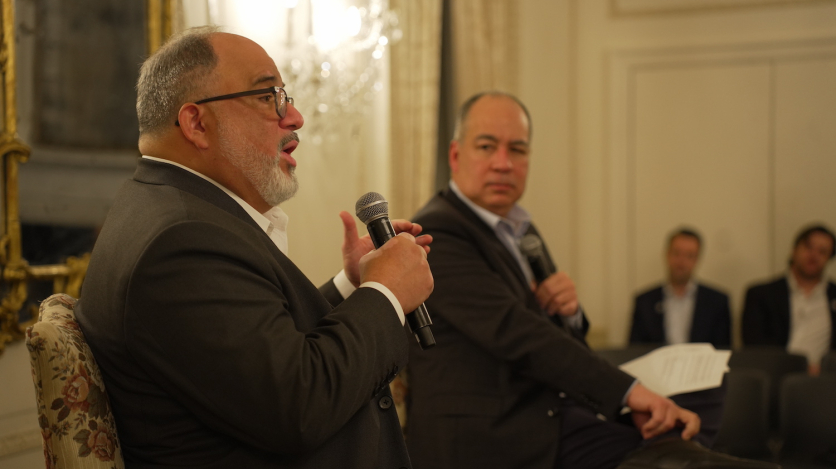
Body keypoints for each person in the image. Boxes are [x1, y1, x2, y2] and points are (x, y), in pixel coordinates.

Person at [76, 26, 433, 469]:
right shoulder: (181, 242)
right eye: (269, 97)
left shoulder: (167, 208)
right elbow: (298, 407)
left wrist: (352, 286)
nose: (295, 116)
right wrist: (386, 294)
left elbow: (251, 353)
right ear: (196, 123)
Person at [405, 92, 755, 469]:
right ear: (456, 156)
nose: (503, 163)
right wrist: (629, 393)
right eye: (487, 146)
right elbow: (516, 332)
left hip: (549, 411)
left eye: (518, 150)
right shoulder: (437, 231)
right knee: (670, 441)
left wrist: (569, 313)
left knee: (700, 398)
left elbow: (557, 332)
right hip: (492, 432)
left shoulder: (522, 231)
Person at [742, 224, 836, 375]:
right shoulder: (761, 294)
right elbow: (756, 348)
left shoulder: (832, 295)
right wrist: (796, 367)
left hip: (825, 382)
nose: (813, 255)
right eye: (809, 247)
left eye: (822, 251)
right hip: (775, 377)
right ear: (794, 249)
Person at [630, 228, 731, 348]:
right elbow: (634, 350)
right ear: (667, 254)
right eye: (676, 253)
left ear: (697, 259)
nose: (681, 261)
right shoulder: (645, 301)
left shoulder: (717, 301)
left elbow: (722, 351)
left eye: (689, 255)